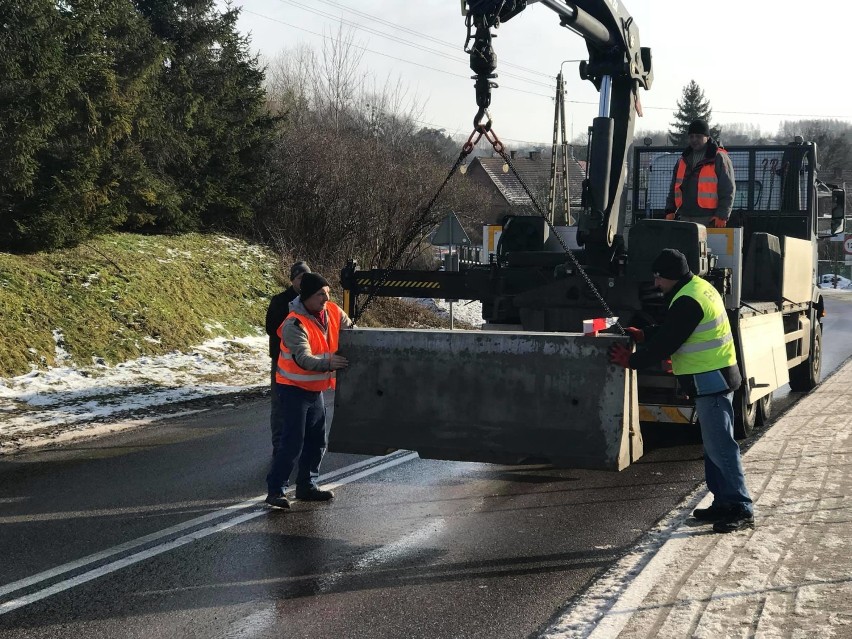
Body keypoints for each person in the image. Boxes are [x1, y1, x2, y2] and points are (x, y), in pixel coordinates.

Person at [609, 249, 754, 533]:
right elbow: (676, 329)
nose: (656, 283)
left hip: (712, 381)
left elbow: (669, 342)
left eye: (658, 278)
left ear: (671, 277)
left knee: (721, 447)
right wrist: (646, 333)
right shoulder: (697, 288)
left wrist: (633, 361)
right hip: (716, 378)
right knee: (713, 448)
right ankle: (723, 502)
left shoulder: (688, 299)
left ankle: (740, 506)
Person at [265, 272, 353, 509]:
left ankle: (306, 485)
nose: (325, 299)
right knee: (293, 442)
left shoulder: (332, 311)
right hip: (293, 389)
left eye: (327, 293)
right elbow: (303, 358)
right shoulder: (294, 323)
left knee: (317, 441)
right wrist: (329, 363)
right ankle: (276, 490)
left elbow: (352, 332)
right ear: (306, 297)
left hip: (314, 389)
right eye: (319, 295)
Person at [265, 261, 310, 456]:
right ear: (293, 279)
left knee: (305, 407)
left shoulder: (312, 302)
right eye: (300, 277)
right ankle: (280, 447)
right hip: (282, 362)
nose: (303, 281)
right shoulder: (280, 301)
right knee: (280, 406)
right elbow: (271, 328)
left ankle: (300, 447)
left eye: (306, 278)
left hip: (305, 362)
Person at [664, 119, 736, 228]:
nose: (694, 139)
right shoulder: (682, 160)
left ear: (707, 137)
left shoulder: (719, 158)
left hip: (710, 219)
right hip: (684, 217)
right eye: (691, 136)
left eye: (698, 136)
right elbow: (674, 187)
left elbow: (728, 189)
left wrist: (722, 215)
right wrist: (670, 209)